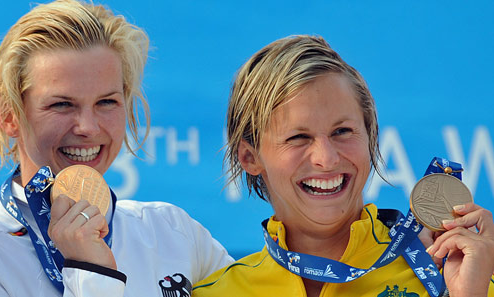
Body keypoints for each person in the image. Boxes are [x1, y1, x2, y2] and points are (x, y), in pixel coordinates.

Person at [192, 35, 494, 297]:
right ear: (250, 158)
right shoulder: (216, 292)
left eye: (342, 132)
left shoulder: (452, 277)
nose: (327, 158)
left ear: (370, 136)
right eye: (298, 137)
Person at [0, 1, 232, 296]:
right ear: (9, 116)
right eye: (62, 104)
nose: (87, 127)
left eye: (106, 102)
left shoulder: (172, 232)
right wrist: (91, 272)